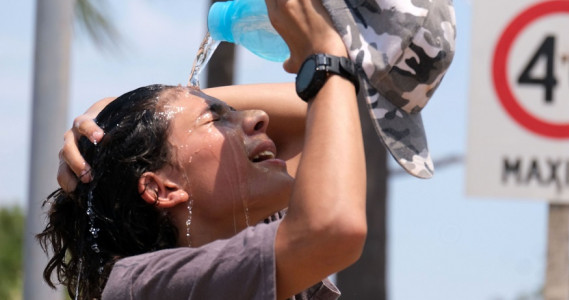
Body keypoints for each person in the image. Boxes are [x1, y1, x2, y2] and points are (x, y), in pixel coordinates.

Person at [46, 0, 456, 299]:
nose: (257, 116)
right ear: (162, 188)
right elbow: (334, 228)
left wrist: (145, 109)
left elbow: (326, 107)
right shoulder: (143, 287)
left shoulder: (248, 235)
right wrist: (326, 58)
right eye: (217, 119)